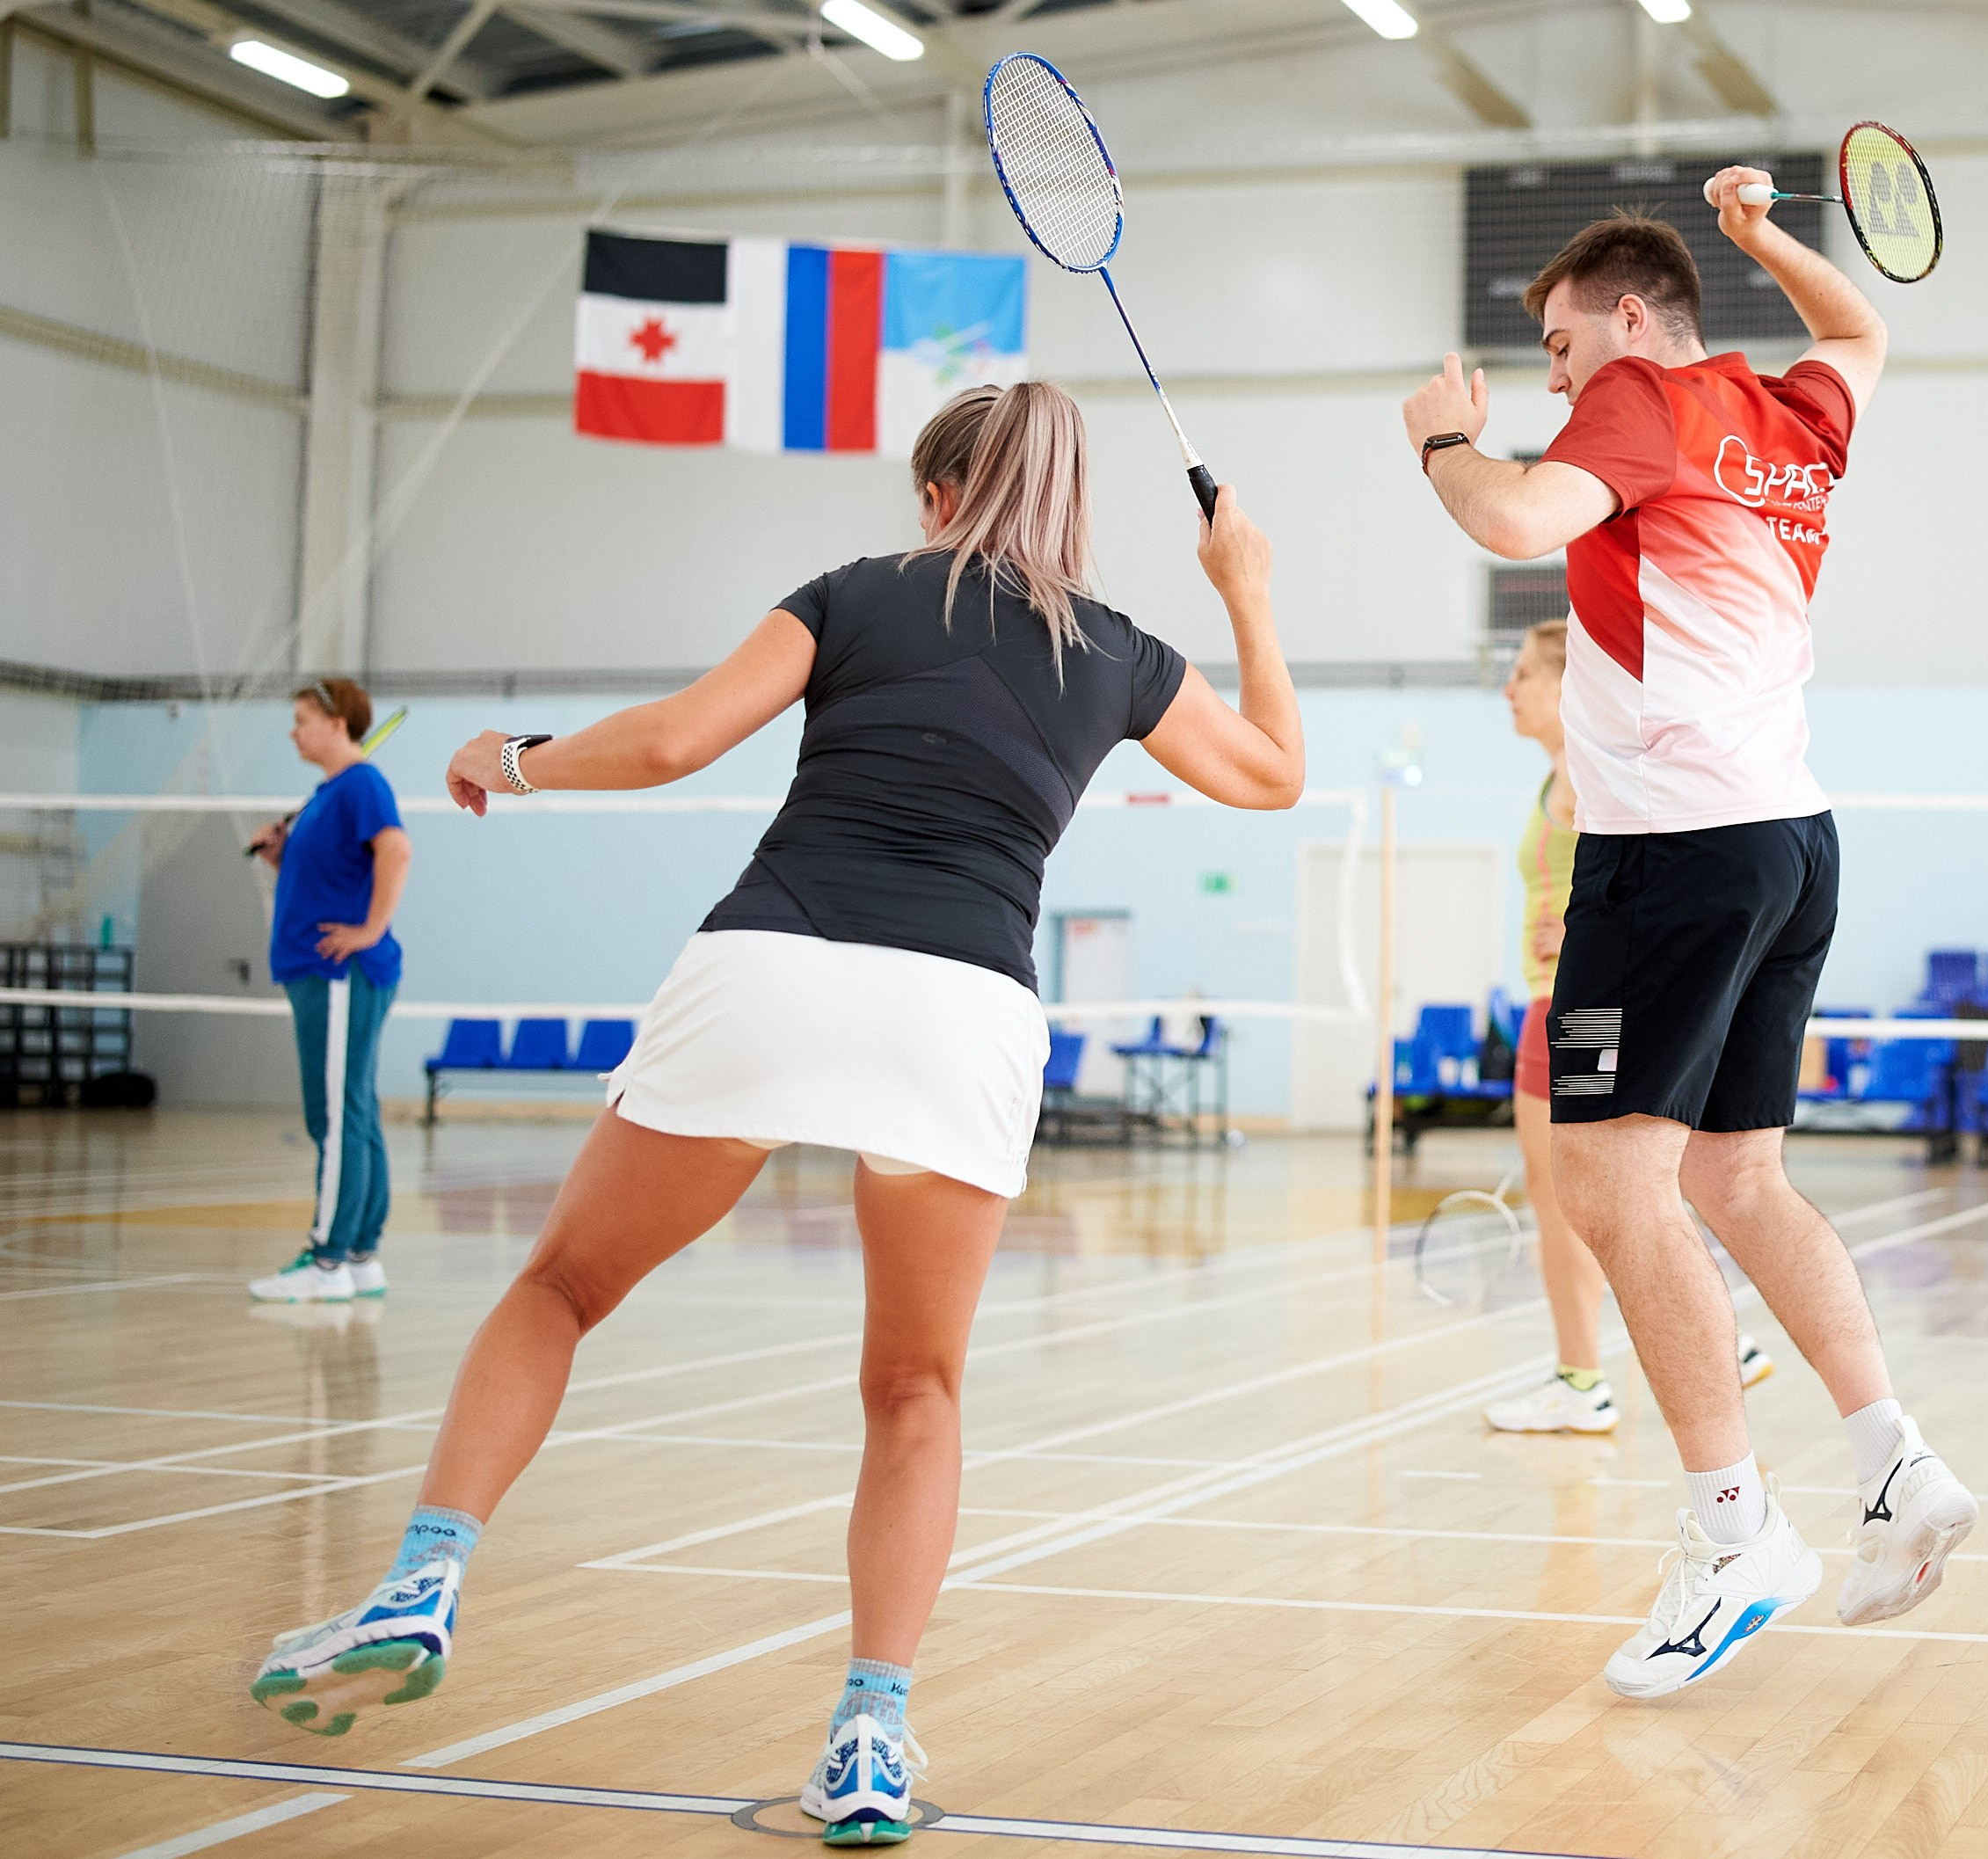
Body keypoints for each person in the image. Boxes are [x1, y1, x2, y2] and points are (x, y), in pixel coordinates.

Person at [248, 383, 1304, 1842]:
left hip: (774, 960)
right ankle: (870, 1736)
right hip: (963, 1006)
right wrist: (1247, 590)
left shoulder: (853, 595)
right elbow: (1275, 774)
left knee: (561, 1284)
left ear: (935, 494)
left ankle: (425, 1575)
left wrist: (516, 761)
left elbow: (680, 738)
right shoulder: (1116, 650)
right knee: (917, 1388)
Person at [1403, 178, 1976, 1700]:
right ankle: (1892, 1459)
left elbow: (1517, 514)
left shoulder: (1644, 400)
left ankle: (1737, 1534)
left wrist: (1442, 439)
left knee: (1610, 1177)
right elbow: (1862, 328)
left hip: (1669, 852)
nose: (1552, 370)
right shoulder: (1789, 411)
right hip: (1793, 841)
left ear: (1635, 317)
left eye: (1560, 336)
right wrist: (1765, 240)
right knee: (1736, 1172)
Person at [1482, 620, 1772, 1435]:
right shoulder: (1561, 777)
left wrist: (1576, 938)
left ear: (1566, 686)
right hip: (1563, 1002)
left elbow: (1646, 889)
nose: (1509, 688)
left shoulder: (1584, 775)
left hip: (1574, 1009)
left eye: (1524, 674)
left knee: (1572, 1197)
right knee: (1599, 1191)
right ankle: (1716, 1340)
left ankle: (1586, 1379)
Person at [246, 677, 410, 1304]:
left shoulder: (362, 784)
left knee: (336, 1116)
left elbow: (396, 850)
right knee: (354, 1111)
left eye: (302, 719)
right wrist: (282, 856)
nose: (293, 731)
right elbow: (332, 875)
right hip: (319, 972)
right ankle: (363, 1254)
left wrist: (371, 929)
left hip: (340, 974)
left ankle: (327, 1259)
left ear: (338, 722)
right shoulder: (329, 793)